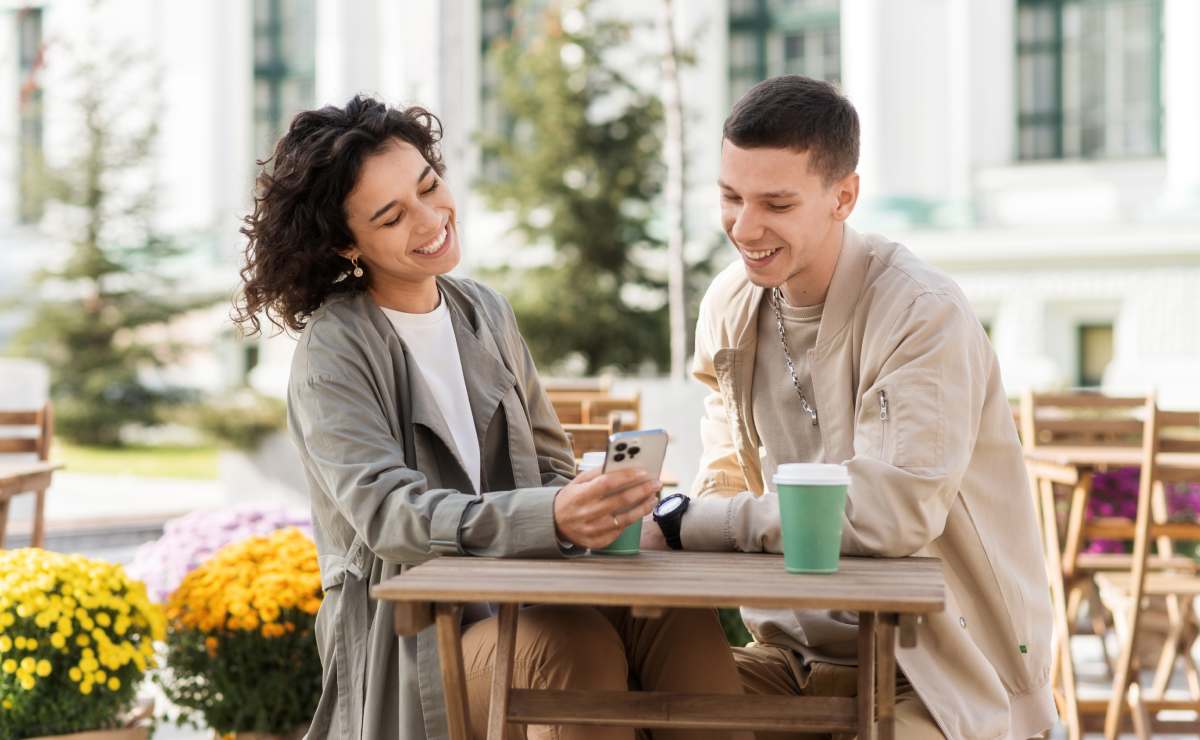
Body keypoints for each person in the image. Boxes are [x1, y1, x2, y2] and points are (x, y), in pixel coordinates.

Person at [234, 96, 747, 740]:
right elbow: (388, 516)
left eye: (430, 186)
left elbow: (554, 464)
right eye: (393, 217)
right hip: (417, 634)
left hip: (532, 595)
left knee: (677, 617)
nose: (430, 220)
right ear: (344, 242)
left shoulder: (483, 311)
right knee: (569, 649)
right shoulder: (335, 349)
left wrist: (602, 502)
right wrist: (551, 517)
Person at [641, 76, 1056, 739]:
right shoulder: (729, 307)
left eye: (776, 203)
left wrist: (687, 521)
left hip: (930, 673)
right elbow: (722, 477)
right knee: (620, 699)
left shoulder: (920, 313)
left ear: (844, 196)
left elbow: (889, 513)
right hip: (787, 659)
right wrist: (646, 517)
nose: (745, 228)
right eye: (730, 198)